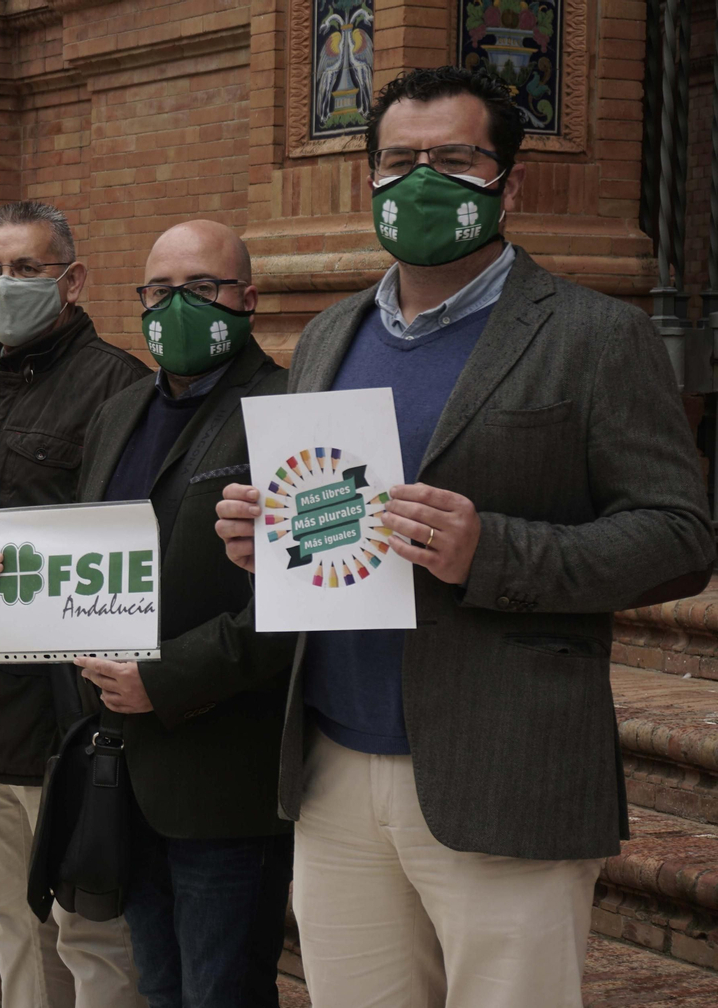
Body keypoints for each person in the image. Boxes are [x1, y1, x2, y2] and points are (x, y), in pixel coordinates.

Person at [213, 66, 715, 1008]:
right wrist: (263, 537)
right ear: (368, 179)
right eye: (399, 160)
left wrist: (494, 551)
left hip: (504, 768)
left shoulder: (594, 336)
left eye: (454, 157)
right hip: (331, 764)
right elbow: (323, 514)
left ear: (508, 184)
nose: (422, 179)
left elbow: (679, 538)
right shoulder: (327, 335)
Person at [0, 222, 295, 1008]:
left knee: (222, 990)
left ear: (247, 300)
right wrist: (10, 583)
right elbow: (96, 558)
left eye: (201, 289)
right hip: (123, 763)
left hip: (222, 770)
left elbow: (298, 602)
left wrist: (169, 678)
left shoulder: (284, 410)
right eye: (159, 291)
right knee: (158, 986)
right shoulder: (124, 409)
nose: (176, 306)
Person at [0, 200, 150, 1008]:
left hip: (66, 716)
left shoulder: (119, 389)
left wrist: (17, 580)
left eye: (25, 269)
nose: (3, 286)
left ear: (72, 281)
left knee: (86, 928)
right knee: (4, 915)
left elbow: (134, 550)